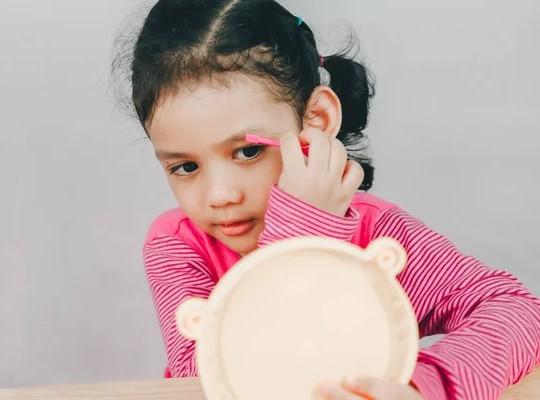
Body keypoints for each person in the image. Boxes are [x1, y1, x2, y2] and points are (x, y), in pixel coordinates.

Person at [115, 0, 540, 398]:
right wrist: (300, 233)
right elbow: (209, 379)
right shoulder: (178, 244)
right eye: (185, 167)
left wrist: (423, 385)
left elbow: (520, 313)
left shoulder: (376, 232)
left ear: (316, 122)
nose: (220, 195)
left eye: (248, 151)